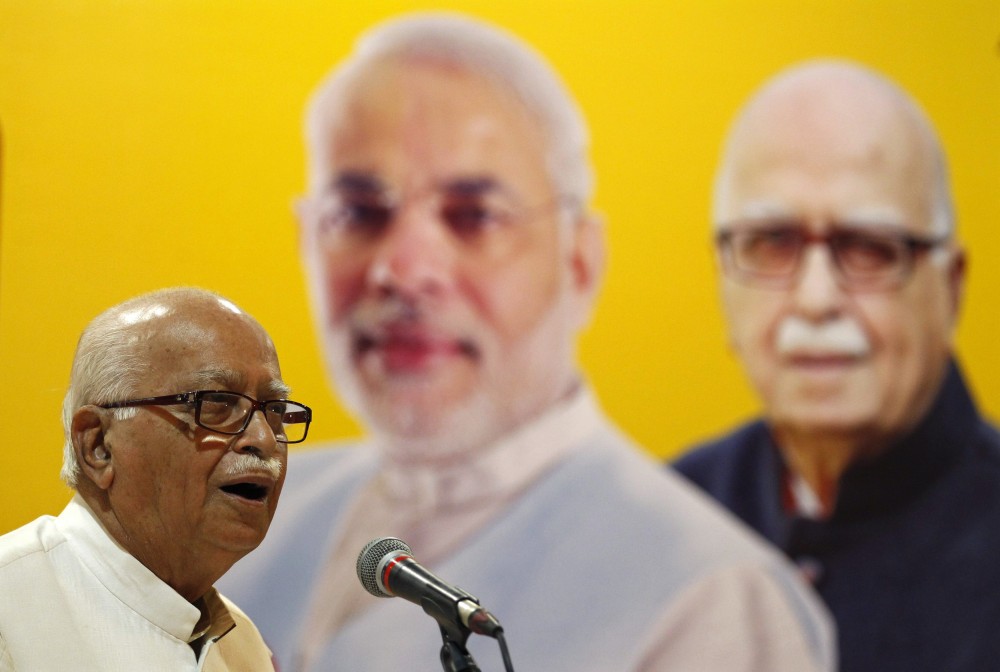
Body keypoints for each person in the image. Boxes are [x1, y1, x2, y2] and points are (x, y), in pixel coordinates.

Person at [219, 13, 835, 672]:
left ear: (579, 262)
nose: (402, 270)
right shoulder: (251, 510)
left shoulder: (711, 600)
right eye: (360, 213)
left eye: (475, 216)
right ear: (307, 239)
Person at [673, 60, 1000, 672]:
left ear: (952, 289)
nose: (816, 299)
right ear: (722, 281)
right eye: (772, 243)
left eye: (870, 248)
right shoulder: (665, 528)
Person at [0, 287, 313, 671]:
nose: (264, 439)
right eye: (216, 404)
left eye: (276, 410)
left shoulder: (244, 648)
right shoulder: (9, 610)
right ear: (98, 444)